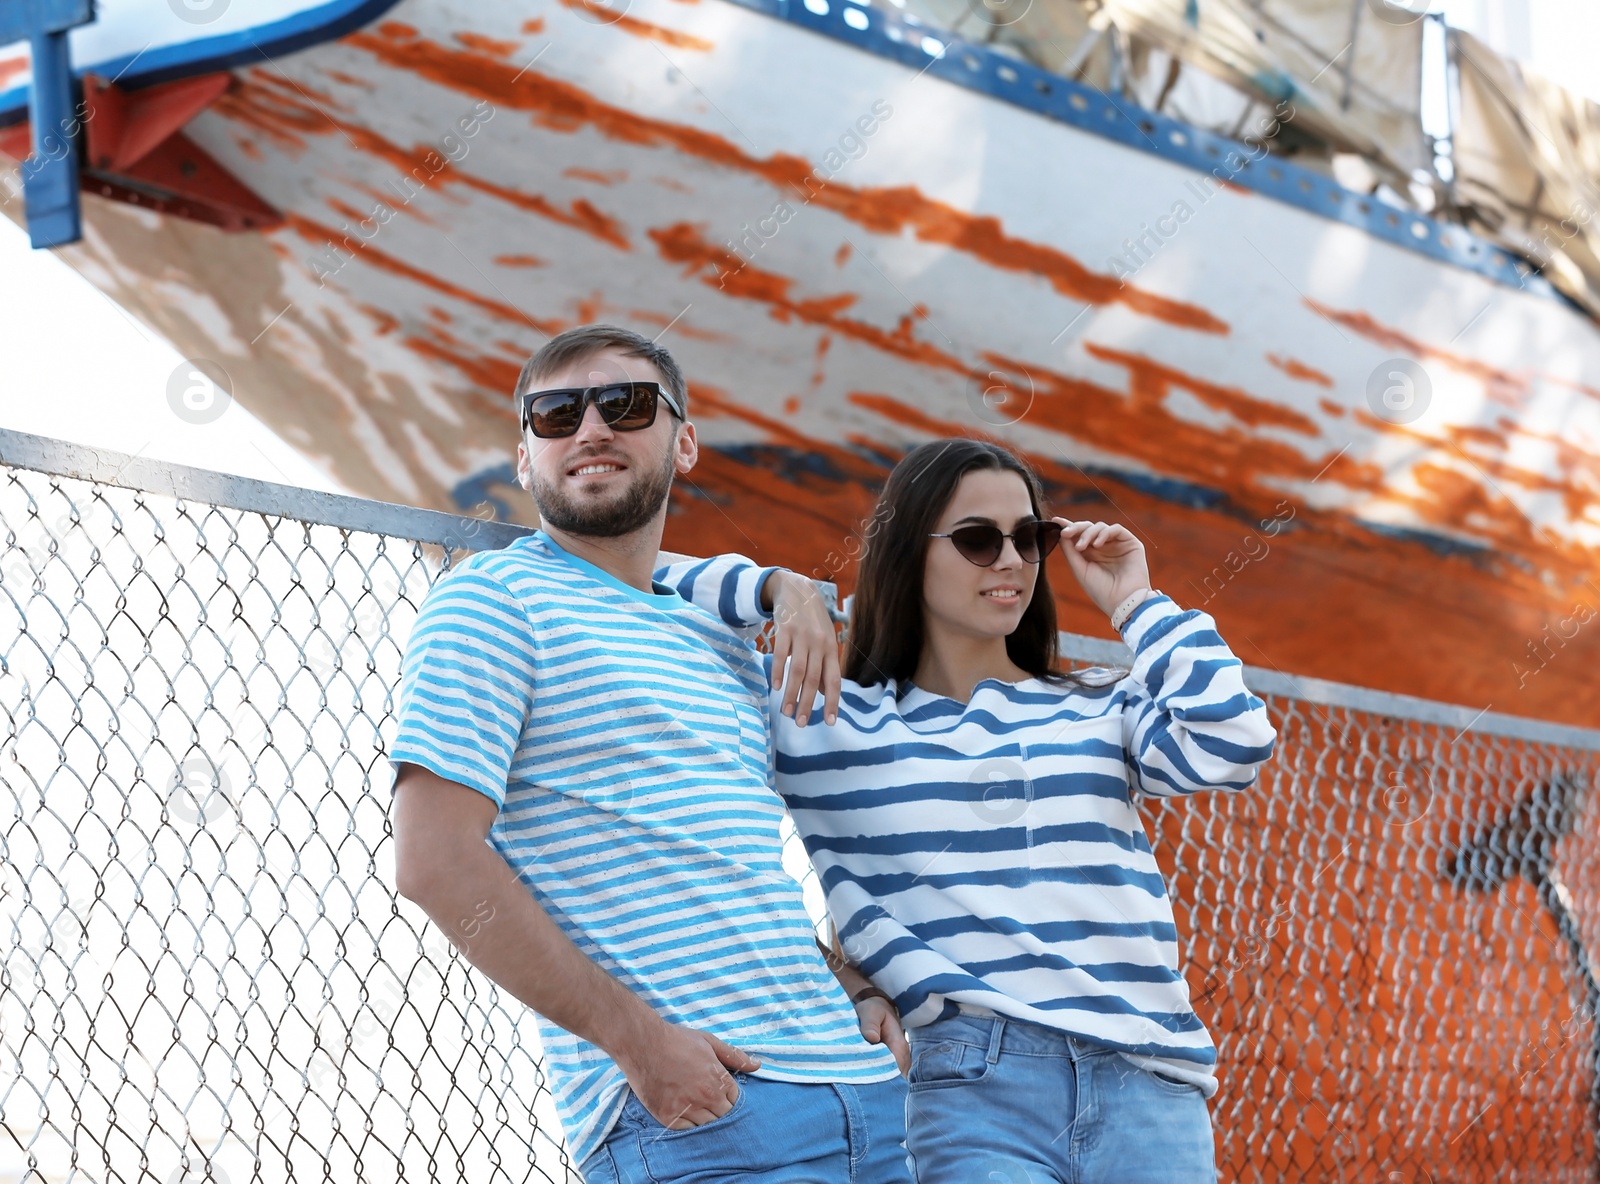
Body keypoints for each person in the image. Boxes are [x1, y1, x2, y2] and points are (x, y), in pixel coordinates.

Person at [659, 438, 1278, 1183]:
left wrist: (1136, 602)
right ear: (904, 552)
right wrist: (779, 590)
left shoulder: (1098, 702)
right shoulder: (821, 713)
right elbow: (620, 584)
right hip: (971, 1086)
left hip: (1148, 1079)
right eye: (980, 541)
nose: (1012, 561)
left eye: (1030, 538)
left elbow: (1235, 740)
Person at [387, 324, 910, 1184]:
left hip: (874, 1095)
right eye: (555, 415)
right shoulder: (492, 602)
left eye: (624, 406)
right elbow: (434, 862)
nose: (590, 430)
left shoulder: (717, 634)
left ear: (685, 440)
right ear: (525, 459)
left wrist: (848, 987)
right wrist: (641, 1046)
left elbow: (730, 868)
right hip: (711, 1118)